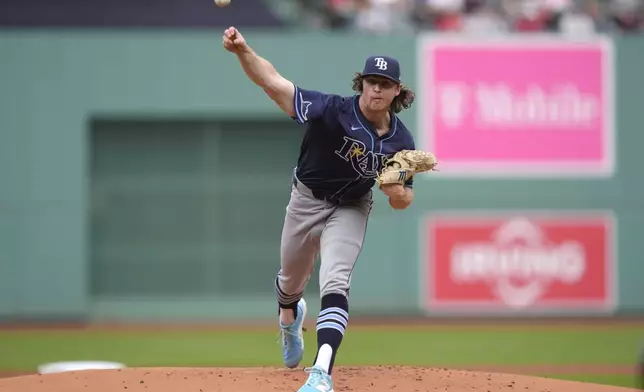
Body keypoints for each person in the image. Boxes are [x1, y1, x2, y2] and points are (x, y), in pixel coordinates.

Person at [222, 26, 418, 392]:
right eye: (371, 81)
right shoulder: (332, 110)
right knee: (290, 281)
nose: (376, 88)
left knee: (335, 281)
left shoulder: (401, 141)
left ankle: (321, 371)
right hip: (306, 200)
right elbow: (274, 84)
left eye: (384, 83)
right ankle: (289, 317)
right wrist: (243, 51)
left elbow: (402, 200)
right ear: (361, 84)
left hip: (352, 207)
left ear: (397, 91)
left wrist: (396, 188)